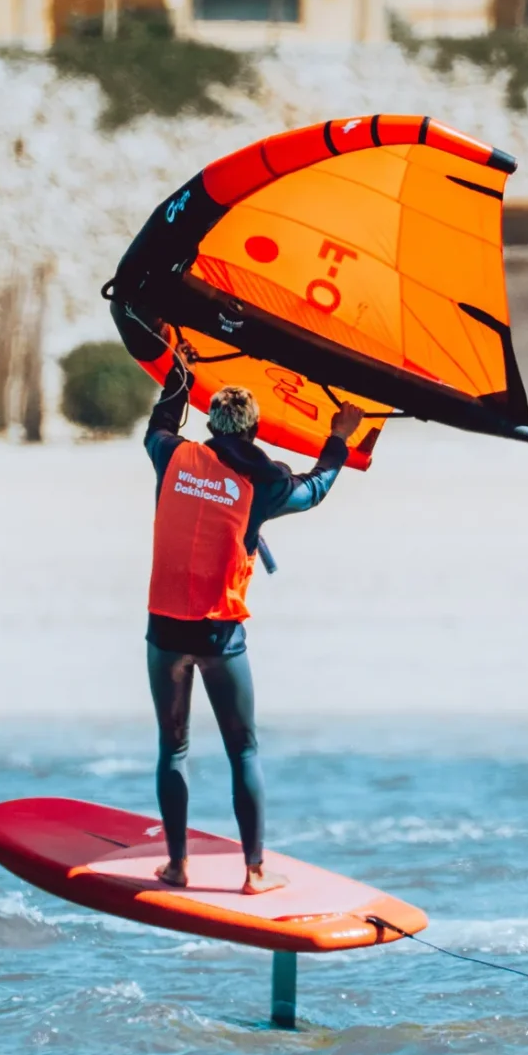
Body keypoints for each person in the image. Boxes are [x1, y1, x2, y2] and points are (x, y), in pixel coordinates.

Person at [142, 355, 362, 895]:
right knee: (242, 751)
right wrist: (338, 438)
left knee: (174, 749)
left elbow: (160, 423)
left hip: (165, 630)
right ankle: (254, 872)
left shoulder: (172, 457)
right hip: (219, 634)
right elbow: (316, 488)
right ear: (256, 429)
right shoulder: (262, 484)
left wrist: (181, 375)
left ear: (212, 425)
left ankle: (176, 866)